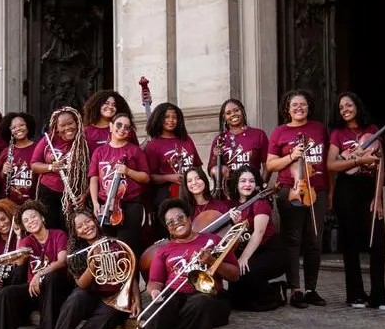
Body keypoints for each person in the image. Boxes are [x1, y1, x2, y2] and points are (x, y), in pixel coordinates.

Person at [129, 199, 240, 329]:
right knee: (160, 309)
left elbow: (235, 275)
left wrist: (212, 261)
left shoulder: (213, 241)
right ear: (168, 228)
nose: (177, 223)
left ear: (189, 218)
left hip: (209, 298)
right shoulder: (164, 250)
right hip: (175, 297)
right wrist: (154, 292)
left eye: (180, 217)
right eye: (171, 222)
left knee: (201, 302)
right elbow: (155, 282)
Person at [327, 92, 385, 311]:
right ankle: (355, 294)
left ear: (357, 106)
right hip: (347, 190)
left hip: (368, 188)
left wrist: (378, 196)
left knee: (378, 241)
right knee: (351, 243)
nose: (345, 109)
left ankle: (378, 295)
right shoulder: (337, 134)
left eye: (349, 105)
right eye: (341, 107)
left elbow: (381, 164)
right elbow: (331, 165)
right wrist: (356, 159)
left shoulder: (373, 130)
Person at [0, 201, 74, 329]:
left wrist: (39, 274)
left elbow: (62, 261)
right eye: (26, 221)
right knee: (6, 293)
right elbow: (19, 261)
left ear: (42, 218)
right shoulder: (27, 240)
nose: (30, 221)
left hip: (55, 290)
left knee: (51, 277)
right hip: (35, 289)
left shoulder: (58, 234)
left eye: (33, 217)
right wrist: (19, 236)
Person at [266, 89, 329, 309]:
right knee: (292, 241)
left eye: (303, 104)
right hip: (289, 190)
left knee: (315, 241)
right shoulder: (280, 132)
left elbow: (328, 161)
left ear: (309, 106)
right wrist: (292, 156)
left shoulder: (319, 129)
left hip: (317, 191)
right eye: (294, 105)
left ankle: (311, 288)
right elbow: (270, 164)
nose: (299, 108)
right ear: (287, 109)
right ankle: (296, 289)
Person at [45, 210, 138, 329]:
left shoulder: (115, 243)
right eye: (80, 226)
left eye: (88, 221)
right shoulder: (76, 252)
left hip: (114, 296)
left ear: (95, 220)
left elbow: (130, 273)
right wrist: (94, 261)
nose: (86, 227)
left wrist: (136, 299)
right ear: (76, 233)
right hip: (90, 294)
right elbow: (81, 284)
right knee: (76, 298)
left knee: (106, 315)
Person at [227, 165, 287, 311]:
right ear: (236, 183)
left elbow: (258, 233)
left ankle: (275, 293)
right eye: (243, 181)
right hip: (248, 249)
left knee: (247, 271)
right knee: (234, 299)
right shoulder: (232, 205)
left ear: (256, 184)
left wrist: (243, 258)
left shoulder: (260, 202)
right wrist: (234, 224)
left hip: (269, 251)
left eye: (251, 181)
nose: (247, 184)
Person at [89, 113, 150, 256]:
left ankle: (131, 278)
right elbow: (94, 178)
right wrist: (95, 203)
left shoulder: (135, 151)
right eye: (119, 125)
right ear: (111, 126)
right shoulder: (100, 151)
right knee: (109, 247)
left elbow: (146, 177)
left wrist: (128, 171)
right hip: (107, 205)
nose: (122, 129)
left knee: (127, 247)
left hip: (130, 205)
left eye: (127, 127)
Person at [144, 103, 202, 239]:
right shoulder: (153, 145)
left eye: (174, 117)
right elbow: (150, 177)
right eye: (167, 117)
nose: (171, 120)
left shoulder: (186, 140)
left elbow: (197, 166)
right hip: (167, 195)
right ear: (159, 119)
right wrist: (169, 177)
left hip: (191, 191)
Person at [31, 107, 89, 231]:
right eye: (62, 125)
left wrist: (85, 194)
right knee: (50, 227)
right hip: (48, 191)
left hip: (73, 193)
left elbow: (94, 173)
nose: (67, 128)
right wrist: (51, 167)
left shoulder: (84, 142)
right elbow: (34, 165)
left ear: (77, 122)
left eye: (70, 123)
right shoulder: (48, 140)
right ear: (56, 127)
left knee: (70, 228)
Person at [207, 99, 270, 195]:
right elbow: (211, 170)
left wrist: (262, 185)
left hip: (252, 189)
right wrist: (215, 157)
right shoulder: (219, 139)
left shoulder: (258, 134)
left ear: (242, 111)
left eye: (236, 110)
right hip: (228, 193)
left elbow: (267, 166)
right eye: (228, 113)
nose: (233, 114)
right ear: (224, 117)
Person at [0, 112, 38, 205]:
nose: (18, 129)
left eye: (21, 125)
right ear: (10, 131)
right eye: (14, 127)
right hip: (9, 203)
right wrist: (3, 171)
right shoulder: (6, 151)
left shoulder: (38, 147)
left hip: (33, 202)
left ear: (28, 126)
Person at [82, 90, 138, 155]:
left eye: (114, 105)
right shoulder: (86, 132)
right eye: (106, 103)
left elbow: (136, 152)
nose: (110, 107)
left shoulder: (125, 128)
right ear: (97, 105)